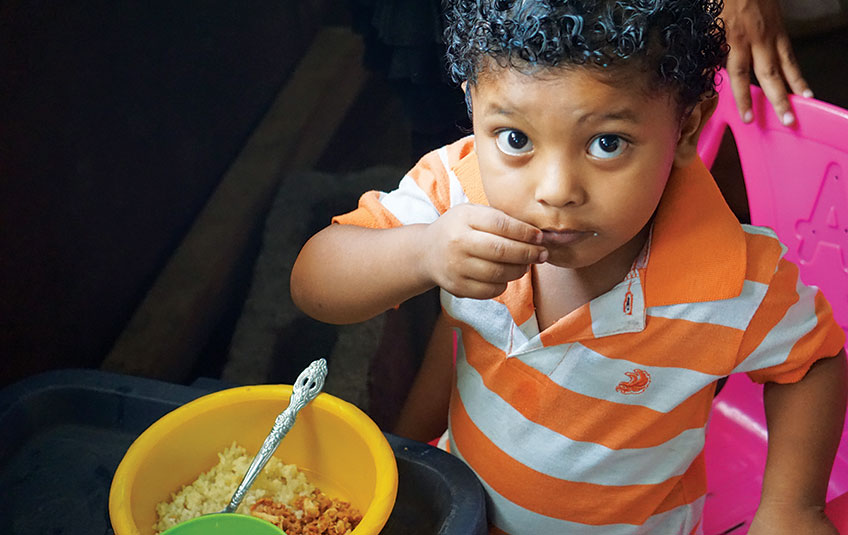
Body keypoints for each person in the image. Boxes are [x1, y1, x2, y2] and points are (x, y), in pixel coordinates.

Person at [290, 0, 848, 532]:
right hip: (465, 512)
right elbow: (315, 283)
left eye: (607, 143)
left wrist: (794, 508)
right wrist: (420, 252)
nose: (555, 191)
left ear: (685, 128)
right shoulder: (454, 192)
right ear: (473, 105)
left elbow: (812, 363)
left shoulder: (735, 278)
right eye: (515, 139)